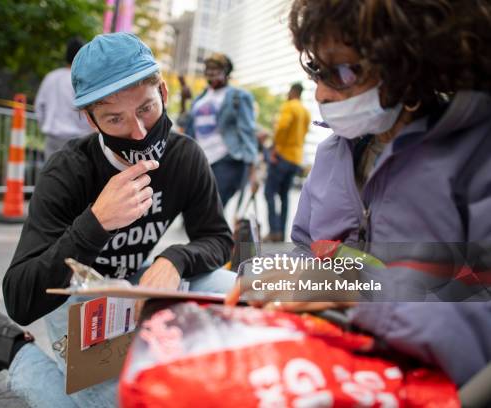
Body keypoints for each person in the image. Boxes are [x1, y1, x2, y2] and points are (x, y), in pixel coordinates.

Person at [0, 32, 236, 408]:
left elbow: (217, 238)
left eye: (146, 108)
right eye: (115, 118)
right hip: (75, 292)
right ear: (90, 120)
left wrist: (174, 259)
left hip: (135, 283)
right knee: (112, 401)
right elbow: (20, 297)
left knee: (232, 291)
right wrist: (96, 222)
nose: (139, 132)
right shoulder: (68, 172)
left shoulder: (184, 157)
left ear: (163, 93)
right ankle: (5, 346)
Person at [227, 0, 491, 388]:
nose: (321, 93)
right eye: (316, 70)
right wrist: (262, 271)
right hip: (322, 369)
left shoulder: (477, 155)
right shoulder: (332, 153)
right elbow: (307, 250)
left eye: (343, 73)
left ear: (411, 66)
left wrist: (361, 293)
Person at [183, 53, 258, 207]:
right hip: (201, 160)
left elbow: (247, 131)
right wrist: (184, 101)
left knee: (212, 208)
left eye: (216, 69)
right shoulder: (200, 98)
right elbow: (184, 123)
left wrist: (252, 168)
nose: (211, 72)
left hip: (226, 160)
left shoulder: (239, 96)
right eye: (208, 69)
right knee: (196, 208)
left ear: (226, 72)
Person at [263, 83, 310, 242]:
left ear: (292, 92)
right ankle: (281, 233)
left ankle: (274, 231)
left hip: (282, 156)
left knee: (269, 193)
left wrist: (275, 148)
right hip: (296, 159)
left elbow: (282, 127)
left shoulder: (289, 106)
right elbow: (304, 133)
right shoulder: (305, 111)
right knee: (284, 197)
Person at [35, 37, 94, 159]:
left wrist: (45, 126)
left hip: (53, 138)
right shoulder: (84, 80)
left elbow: (39, 108)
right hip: (79, 140)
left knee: (52, 175)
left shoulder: (51, 77)